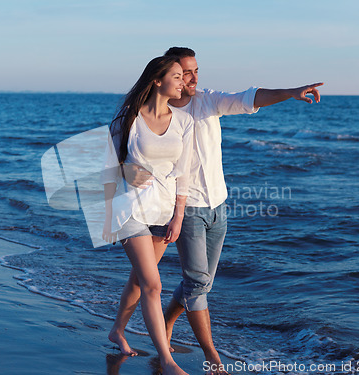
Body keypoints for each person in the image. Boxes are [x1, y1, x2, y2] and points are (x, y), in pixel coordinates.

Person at [115, 47, 323, 373]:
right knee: (188, 283)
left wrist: (290, 92)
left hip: (218, 205)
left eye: (197, 70)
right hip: (176, 209)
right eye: (186, 72)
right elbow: (122, 159)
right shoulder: (149, 113)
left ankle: (150, 324)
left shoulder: (208, 101)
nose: (194, 77)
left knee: (184, 281)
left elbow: (249, 97)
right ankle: (212, 357)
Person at [101, 55, 194, 375]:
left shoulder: (184, 122)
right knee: (153, 284)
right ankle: (167, 361)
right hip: (130, 210)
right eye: (178, 76)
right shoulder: (129, 118)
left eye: (184, 77)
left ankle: (117, 330)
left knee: (140, 280)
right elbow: (108, 168)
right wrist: (108, 218)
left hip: (164, 211)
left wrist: (178, 216)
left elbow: (184, 174)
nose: (184, 81)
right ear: (157, 79)